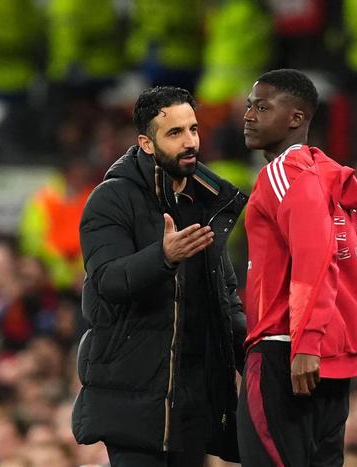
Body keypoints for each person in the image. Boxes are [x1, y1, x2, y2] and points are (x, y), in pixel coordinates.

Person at [71, 86, 248, 467]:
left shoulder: (209, 200)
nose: (190, 142)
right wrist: (163, 257)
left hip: (195, 398)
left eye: (193, 129)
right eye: (175, 133)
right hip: (133, 396)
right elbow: (107, 281)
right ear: (146, 143)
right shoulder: (111, 199)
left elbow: (225, 297)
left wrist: (253, 361)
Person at [237, 69, 357, 466]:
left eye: (262, 107)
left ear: (296, 117)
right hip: (331, 363)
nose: (249, 116)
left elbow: (316, 254)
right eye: (250, 106)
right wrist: (327, 326)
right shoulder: (329, 174)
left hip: (285, 352)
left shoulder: (281, 174)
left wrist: (306, 342)